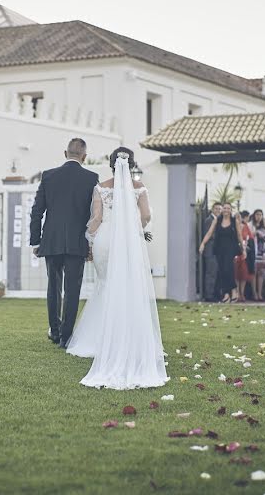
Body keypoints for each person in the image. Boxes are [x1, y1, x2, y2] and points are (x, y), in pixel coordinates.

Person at [66, 147, 168, 390]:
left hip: (105, 241)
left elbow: (97, 219)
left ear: (111, 164)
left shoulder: (101, 187)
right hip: (128, 242)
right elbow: (144, 215)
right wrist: (136, 230)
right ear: (131, 164)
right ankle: (128, 338)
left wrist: (89, 235)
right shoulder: (139, 187)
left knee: (105, 286)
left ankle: (99, 340)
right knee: (129, 286)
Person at [30, 138, 99, 348]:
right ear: (84, 157)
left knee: (53, 287)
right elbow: (94, 214)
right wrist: (91, 243)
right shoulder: (91, 178)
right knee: (72, 290)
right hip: (78, 242)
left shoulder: (48, 176)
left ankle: (55, 330)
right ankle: (66, 337)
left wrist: (36, 241)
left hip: (51, 240)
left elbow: (37, 211)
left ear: (65, 153)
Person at [199, 203, 242, 302]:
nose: (226, 210)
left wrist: (243, 249)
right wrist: (203, 244)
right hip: (219, 249)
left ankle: (234, 290)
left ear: (231, 210)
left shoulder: (234, 221)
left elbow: (239, 235)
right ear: (223, 210)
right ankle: (226, 294)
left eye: (228, 208)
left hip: (230, 248)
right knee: (222, 271)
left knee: (228, 269)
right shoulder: (216, 220)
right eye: (225, 208)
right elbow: (209, 233)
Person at [200, 203, 222, 302]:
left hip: (215, 251)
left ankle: (214, 294)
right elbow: (209, 234)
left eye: (220, 209)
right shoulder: (209, 220)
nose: (218, 211)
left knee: (215, 273)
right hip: (210, 250)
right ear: (212, 209)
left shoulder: (218, 220)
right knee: (210, 273)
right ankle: (208, 295)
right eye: (216, 209)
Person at [237, 210, 257, 300]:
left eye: (239, 217)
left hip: (245, 252)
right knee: (236, 274)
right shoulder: (233, 227)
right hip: (236, 253)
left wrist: (247, 246)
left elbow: (250, 238)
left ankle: (242, 293)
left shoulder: (245, 226)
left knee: (244, 274)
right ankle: (237, 293)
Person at [252, 210, 265, 301]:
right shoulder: (252, 226)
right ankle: (254, 293)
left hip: (262, 252)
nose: (259, 216)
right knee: (254, 273)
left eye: (260, 215)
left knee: (261, 273)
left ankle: (260, 294)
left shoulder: (264, 227)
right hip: (254, 252)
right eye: (257, 214)